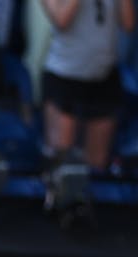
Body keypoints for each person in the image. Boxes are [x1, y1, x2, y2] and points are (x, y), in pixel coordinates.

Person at [39, 0, 135, 170]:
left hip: (104, 77)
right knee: (61, 166)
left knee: (97, 168)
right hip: (64, 77)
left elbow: (128, 24)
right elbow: (62, 20)